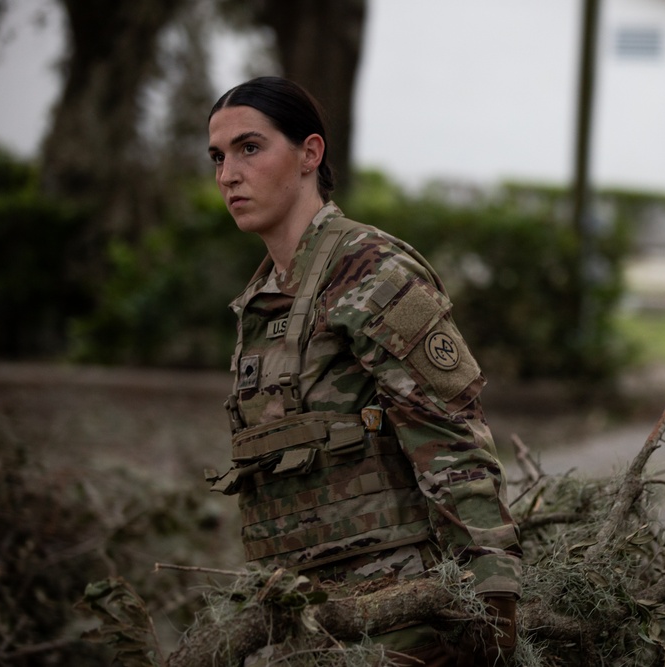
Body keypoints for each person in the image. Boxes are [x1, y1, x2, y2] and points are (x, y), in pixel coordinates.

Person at [205, 76, 522, 666]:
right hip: (304, 612)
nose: (228, 174)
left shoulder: (369, 270)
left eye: (250, 148)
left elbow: (452, 437)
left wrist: (493, 599)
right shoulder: (264, 295)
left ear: (310, 154)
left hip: (396, 615)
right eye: (218, 157)